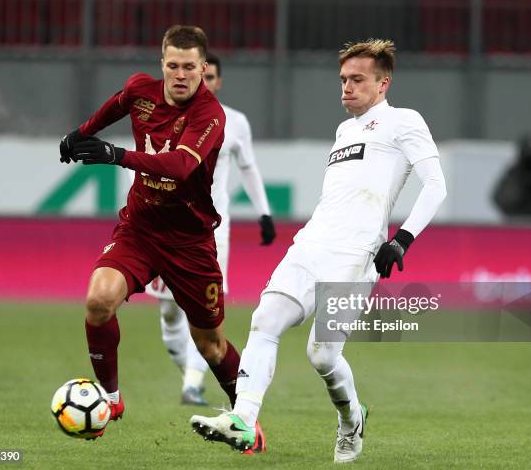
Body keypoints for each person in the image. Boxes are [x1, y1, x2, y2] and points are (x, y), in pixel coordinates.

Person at [190, 39, 447, 463]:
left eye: (358, 79)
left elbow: (436, 185)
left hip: (357, 254)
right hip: (312, 243)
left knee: (322, 354)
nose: (346, 87)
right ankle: (243, 417)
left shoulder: (404, 121)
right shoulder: (344, 130)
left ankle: (352, 419)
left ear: (383, 84)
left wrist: (402, 239)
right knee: (265, 319)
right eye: (343, 79)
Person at [58, 25, 265, 450]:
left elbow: (179, 166)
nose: (181, 74)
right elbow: (115, 107)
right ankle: (111, 401)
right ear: (163, 64)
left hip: (190, 242)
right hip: (140, 227)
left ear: (203, 68)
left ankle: (247, 420)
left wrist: (115, 155)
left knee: (210, 344)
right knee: (98, 301)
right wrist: (80, 135)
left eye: (190, 67)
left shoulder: (211, 115)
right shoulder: (141, 90)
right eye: (173, 65)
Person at [141, 52, 276, 406]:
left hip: (214, 230)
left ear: (216, 79)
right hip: (166, 226)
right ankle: (187, 370)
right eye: (205, 76)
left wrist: (264, 213)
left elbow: (249, 168)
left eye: (213, 76)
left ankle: (192, 382)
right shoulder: (166, 116)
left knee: (205, 311)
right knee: (170, 310)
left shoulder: (235, 122)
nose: (208, 82)